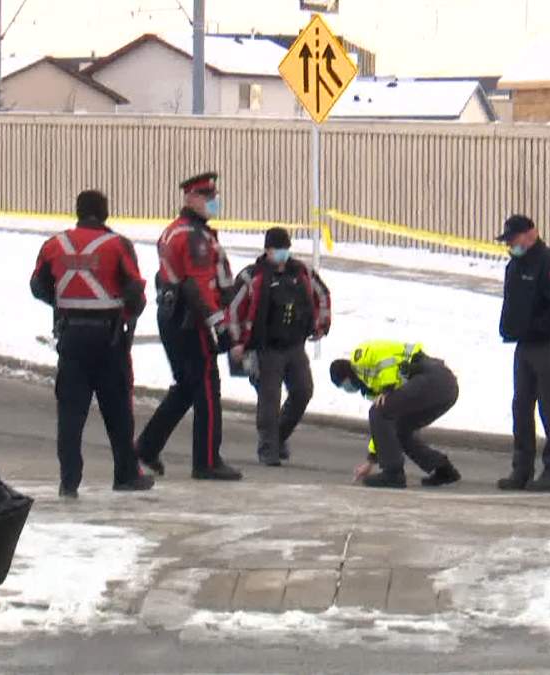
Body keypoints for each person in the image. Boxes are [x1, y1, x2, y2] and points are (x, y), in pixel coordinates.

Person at [31, 190, 150, 497]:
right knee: (118, 410)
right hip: (108, 337)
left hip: (71, 336)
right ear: (105, 212)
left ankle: (69, 480)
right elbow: (135, 289)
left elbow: (37, 285)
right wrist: (126, 313)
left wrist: (62, 306)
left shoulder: (55, 245)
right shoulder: (117, 245)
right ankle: (125, 474)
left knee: (70, 412)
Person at [136, 172, 242, 481]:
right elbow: (198, 286)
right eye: (207, 196)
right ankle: (207, 460)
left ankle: (146, 447)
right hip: (190, 318)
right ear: (190, 198)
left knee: (185, 388)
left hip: (174, 316)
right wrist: (219, 325)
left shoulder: (178, 230)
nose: (213, 201)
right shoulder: (193, 236)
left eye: (214, 195)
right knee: (207, 387)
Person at [228, 227, 331, 465]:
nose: (283, 254)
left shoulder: (302, 272)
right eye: (278, 249)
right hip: (266, 347)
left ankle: (278, 436)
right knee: (269, 399)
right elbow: (233, 309)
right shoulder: (252, 276)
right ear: (267, 250)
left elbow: (322, 295)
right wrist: (236, 342)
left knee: (303, 391)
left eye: (286, 248)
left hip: (295, 345)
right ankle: (268, 449)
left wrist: (321, 325)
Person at [495, 214, 550, 493]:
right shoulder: (515, 266)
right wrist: (509, 329)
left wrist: (532, 329)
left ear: (531, 234)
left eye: (514, 240)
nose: (511, 246)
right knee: (521, 407)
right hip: (525, 345)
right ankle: (522, 470)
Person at [329, 341, 461, 489]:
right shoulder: (373, 387)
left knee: (378, 411)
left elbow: (386, 360)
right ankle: (443, 469)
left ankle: (393, 474)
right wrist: (371, 460)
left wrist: (387, 388)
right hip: (445, 391)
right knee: (399, 429)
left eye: (344, 384)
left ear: (347, 374)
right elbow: (383, 432)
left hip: (434, 377)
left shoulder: (359, 357)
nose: (347, 388)